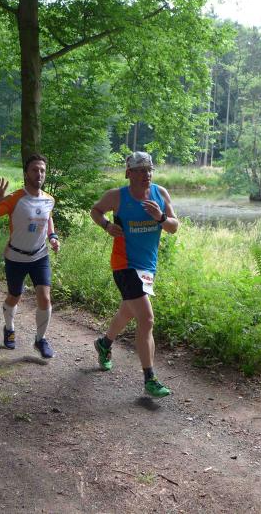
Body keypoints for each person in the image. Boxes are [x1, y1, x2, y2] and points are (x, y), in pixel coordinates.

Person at [90, 151, 179, 398]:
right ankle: (150, 378)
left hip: (147, 267)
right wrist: (107, 225)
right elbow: (95, 210)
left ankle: (104, 344)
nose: (146, 174)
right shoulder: (117, 196)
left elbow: (174, 227)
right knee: (147, 319)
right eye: (140, 170)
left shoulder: (160, 194)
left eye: (149, 170)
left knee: (128, 311)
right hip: (124, 265)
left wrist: (160, 217)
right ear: (129, 173)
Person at [0, 154, 59, 359]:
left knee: (45, 297)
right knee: (14, 296)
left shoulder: (49, 199)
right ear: (26, 174)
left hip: (40, 256)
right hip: (16, 257)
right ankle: (9, 328)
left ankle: (40, 340)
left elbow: (48, 218)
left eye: (42, 170)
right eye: (35, 170)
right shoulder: (15, 199)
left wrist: (53, 237)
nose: (39, 174)